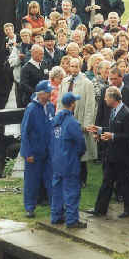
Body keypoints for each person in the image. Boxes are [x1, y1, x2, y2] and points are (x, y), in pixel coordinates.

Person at [87, 86, 129, 218]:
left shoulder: (127, 114)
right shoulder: (114, 111)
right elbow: (113, 128)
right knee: (106, 182)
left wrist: (112, 136)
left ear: (113, 98)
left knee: (125, 183)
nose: (104, 99)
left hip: (123, 156)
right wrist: (100, 129)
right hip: (112, 154)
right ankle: (100, 209)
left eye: (106, 97)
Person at [57, 57, 96, 188]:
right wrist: (58, 119)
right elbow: (59, 102)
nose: (73, 69)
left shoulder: (87, 83)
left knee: (81, 151)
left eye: (76, 66)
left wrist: (86, 123)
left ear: (80, 67)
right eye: (71, 66)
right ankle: (69, 176)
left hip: (79, 119)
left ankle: (82, 179)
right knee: (68, 149)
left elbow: (90, 105)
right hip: (66, 120)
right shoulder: (65, 81)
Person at [51, 92, 87, 228]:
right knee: (72, 191)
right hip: (70, 161)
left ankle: (56, 216)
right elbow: (81, 144)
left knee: (57, 190)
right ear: (72, 104)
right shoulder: (72, 122)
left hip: (56, 160)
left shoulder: (55, 120)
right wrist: (78, 155)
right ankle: (72, 221)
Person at [20, 80, 55, 218]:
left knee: (51, 179)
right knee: (31, 181)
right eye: (48, 92)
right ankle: (29, 208)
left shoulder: (51, 107)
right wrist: (27, 152)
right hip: (34, 153)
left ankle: (56, 206)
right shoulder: (31, 109)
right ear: (40, 94)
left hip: (48, 151)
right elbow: (25, 131)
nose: (51, 94)